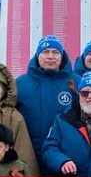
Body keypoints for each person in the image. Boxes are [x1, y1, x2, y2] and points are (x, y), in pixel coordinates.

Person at [16, 35, 76, 165]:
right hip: (29, 156)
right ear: (37, 56)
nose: (50, 56)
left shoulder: (76, 82)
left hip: (67, 159)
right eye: (45, 52)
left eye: (55, 52)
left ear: (62, 56)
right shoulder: (20, 84)